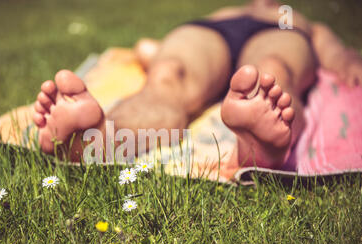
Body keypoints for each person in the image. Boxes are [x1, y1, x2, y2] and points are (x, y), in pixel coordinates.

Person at [32, 0, 362, 170]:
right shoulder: (226, 11)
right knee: (168, 76)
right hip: (214, 36)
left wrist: (344, 60)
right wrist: (156, 53)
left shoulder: (305, 21)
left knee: (273, 74)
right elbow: (158, 49)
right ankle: (97, 140)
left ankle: (263, 150)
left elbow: (333, 51)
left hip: (279, 33)